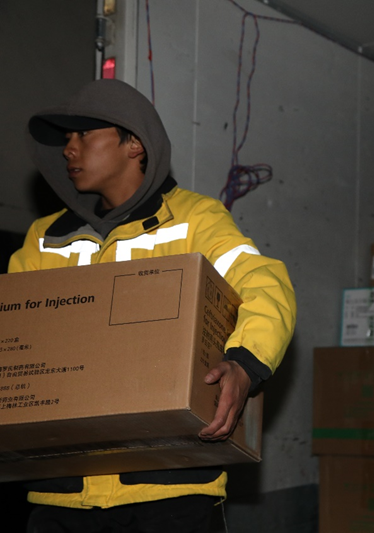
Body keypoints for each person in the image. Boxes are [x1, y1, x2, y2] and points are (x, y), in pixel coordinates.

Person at [12, 79, 297, 532]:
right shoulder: (45, 240)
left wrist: (245, 365)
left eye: (84, 134)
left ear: (135, 144)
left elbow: (266, 284)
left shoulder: (193, 221)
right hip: (59, 497)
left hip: (171, 494)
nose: (69, 148)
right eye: (65, 137)